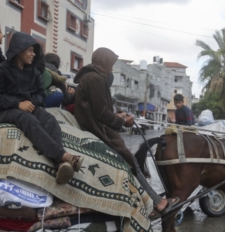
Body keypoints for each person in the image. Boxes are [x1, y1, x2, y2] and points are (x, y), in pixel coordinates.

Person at [73, 47, 178, 217]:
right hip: (99, 130)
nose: (111, 69)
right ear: (105, 62)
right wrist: (123, 121)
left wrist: (118, 115)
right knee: (131, 162)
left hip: (96, 126)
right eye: (110, 64)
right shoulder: (95, 79)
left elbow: (99, 109)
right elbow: (101, 114)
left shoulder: (91, 77)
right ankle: (157, 202)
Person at [0, 32, 83, 185]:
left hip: (29, 107)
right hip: (7, 110)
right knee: (29, 120)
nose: (33, 54)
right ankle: (64, 156)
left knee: (50, 119)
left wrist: (31, 102)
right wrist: (18, 104)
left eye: (34, 51)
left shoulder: (34, 72)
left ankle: (60, 165)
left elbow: (40, 95)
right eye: (30, 50)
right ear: (19, 50)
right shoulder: (0, 71)